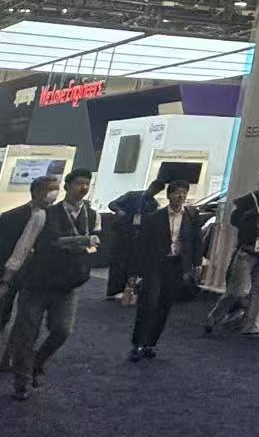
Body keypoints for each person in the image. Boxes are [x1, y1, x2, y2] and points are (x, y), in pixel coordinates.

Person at [6, 169, 99, 398]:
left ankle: (38, 361)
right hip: (37, 283)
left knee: (63, 330)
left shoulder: (93, 216)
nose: (83, 188)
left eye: (87, 184)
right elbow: (23, 247)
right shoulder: (44, 215)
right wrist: (8, 277)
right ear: (67, 187)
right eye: (79, 183)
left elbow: (96, 246)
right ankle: (21, 381)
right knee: (26, 334)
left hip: (67, 284)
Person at [129, 180, 202, 361]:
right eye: (177, 192)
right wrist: (135, 271)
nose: (181, 196)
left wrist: (196, 263)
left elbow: (196, 240)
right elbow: (142, 245)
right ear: (169, 195)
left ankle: (151, 343)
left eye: (184, 192)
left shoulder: (191, 216)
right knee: (149, 303)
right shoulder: (155, 217)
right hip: (156, 264)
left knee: (165, 305)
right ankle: (138, 344)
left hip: (176, 265)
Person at [206, 185, 259, 336]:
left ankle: (252, 327)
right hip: (247, 254)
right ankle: (214, 318)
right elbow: (242, 232)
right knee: (239, 291)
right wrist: (255, 224)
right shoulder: (250, 214)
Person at [0, 177, 55, 337]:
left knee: (29, 314)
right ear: (36, 192)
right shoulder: (11, 217)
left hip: (37, 273)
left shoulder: (56, 216)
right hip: (11, 268)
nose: (54, 193)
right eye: (50, 189)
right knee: (5, 303)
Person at [106, 177, 166, 299]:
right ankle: (113, 290)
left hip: (138, 235)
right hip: (122, 232)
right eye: (154, 188)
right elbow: (112, 204)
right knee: (118, 261)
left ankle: (126, 290)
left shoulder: (153, 204)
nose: (154, 191)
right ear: (151, 186)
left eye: (157, 191)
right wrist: (119, 211)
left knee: (131, 263)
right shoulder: (132, 195)